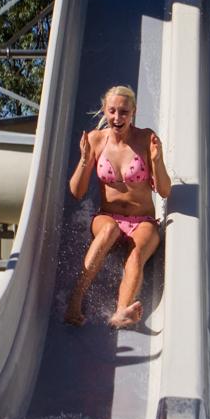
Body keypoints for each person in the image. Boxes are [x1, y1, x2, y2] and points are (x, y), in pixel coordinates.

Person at [64, 84, 172, 329]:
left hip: (142, 221)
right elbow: (77, 192)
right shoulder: (96, 140)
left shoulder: (145, 139)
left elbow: (164, 191)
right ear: (104, 110)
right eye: (112, 111)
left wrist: (157, 161)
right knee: (109, 230)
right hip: (108, 217)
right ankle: (75, 299)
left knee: (135, 255)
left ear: (133, 112)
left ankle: (121, 312)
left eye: (124, 112)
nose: (117, 117)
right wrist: (84, 160)